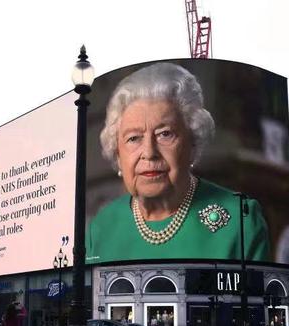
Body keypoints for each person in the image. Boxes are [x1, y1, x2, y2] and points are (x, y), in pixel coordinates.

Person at [86, 62, 270, 264]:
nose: (149, 153)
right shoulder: (101, 227)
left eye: (165, 134)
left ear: (192, 143)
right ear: (118, 154)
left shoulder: (241, 220)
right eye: (134, 138)